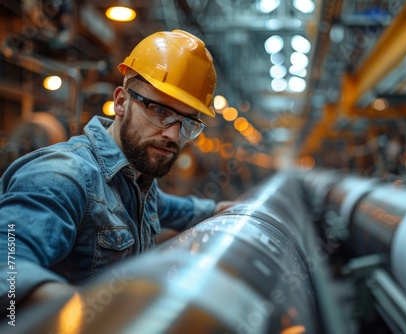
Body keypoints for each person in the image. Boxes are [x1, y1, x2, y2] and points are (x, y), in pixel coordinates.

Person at [0, 30, 234, 310]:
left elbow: (167, 207)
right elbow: (7, 263)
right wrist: (87, 315)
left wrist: (216, 210)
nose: (174, 135)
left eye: (188, 123)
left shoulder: (137, 178)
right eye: (160, 111)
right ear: (121, 102)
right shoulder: (64, 175)